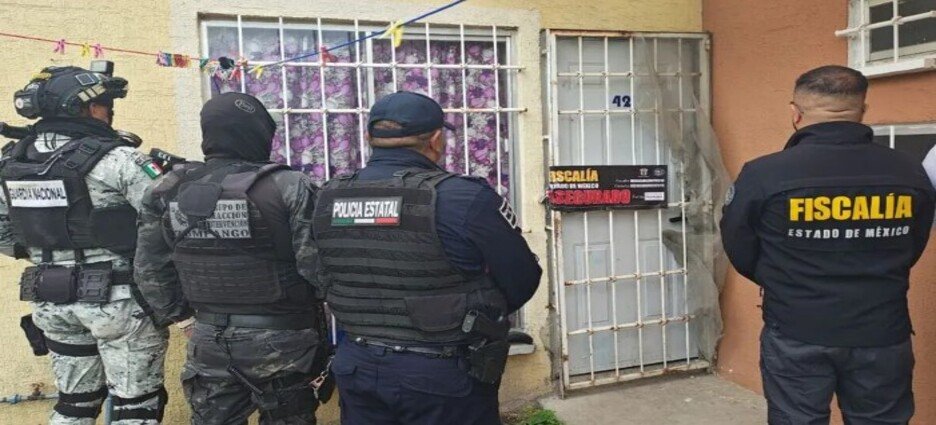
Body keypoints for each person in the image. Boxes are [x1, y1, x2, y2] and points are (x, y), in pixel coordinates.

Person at [721, 65, 935, 424]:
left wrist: (784, 280)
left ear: (795, 113)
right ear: (862, 110)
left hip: (796, 327)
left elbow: (739, 245)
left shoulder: (764, 173)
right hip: (881, 329)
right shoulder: (908, 171)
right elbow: (913, 243)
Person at [312, 91, 542, 425]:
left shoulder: (328, 197)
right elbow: (522, 278)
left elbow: (321, 272)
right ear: (435, 140)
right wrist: (474, 312)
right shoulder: (462, 196)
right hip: (441, 373)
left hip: (357, 365)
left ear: (369, 138)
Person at [134, 92, 329, 424]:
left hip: (208, 337)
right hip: (284, 338)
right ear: (257, 132)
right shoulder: (289, 185)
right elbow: (317, 269)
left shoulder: (167, 188)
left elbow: (149, 270)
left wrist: (183, 320)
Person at [1, 65, 169, 424]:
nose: (108, 111)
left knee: (74, 405)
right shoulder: (118, 159)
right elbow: (169, 221)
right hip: (117, 302)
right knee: (135, 407)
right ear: (89, 108)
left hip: (51, 300)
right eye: (105, 104)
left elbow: (4, 235)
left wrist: (45, 251)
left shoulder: (11, 161)